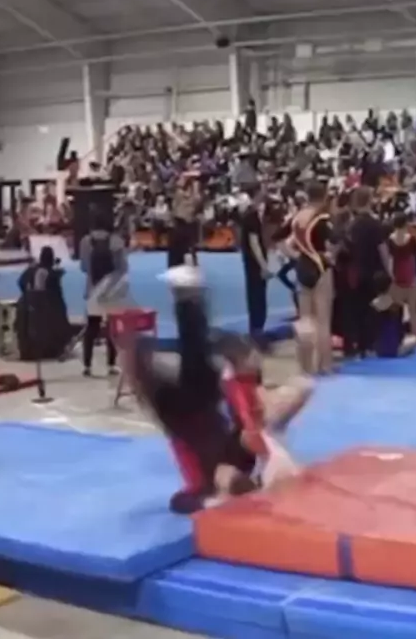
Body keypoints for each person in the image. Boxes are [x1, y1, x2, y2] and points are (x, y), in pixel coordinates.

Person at [119, 264, 312, 513]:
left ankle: (182, 303)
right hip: (205, 404)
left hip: (181, 417)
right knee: (197, 353)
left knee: (178, 360)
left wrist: (210, 501)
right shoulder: (242, 457)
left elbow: (179, 502)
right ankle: (187, 298)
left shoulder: (205, 481)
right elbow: (252, 430)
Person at [290, 181, 334, 374]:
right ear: (324, 197)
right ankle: (325, 365)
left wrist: (298, 255)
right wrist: (330, 256)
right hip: (320, 266)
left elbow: (286, 243)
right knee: (323, 320)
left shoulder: (297, 217)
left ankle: (305, 367)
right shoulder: (321, 219)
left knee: (305, 320)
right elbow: (333, 243)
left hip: (303, 265)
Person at [79, 209, 128, 376]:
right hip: (111, 290)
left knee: (91, 327)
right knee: (112, 328)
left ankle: (87, 365)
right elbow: (123, 268)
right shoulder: (117, 241)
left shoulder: (86, 241)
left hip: (93, 288)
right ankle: (111, 364)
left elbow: (84, 267)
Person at [349, 186, 391, 357]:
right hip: (374, 270)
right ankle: (372, 342)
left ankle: (360, 345)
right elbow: (383, 249)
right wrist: (389, 270)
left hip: (357, 270)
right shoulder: (374, 224)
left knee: (359, 308)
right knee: (374, 308)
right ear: (368, 200)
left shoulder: (352, 224)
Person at [16, 246, 72, 361]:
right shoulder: (52, 275)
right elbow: (56, 295)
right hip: (48, 308)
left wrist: (27, 295)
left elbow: (21, 282)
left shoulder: (30, 270)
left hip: (29, 305)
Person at [240, 186, 271, 339]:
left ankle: (257, 327)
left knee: (256, 294)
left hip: (251, 261)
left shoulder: (252, 215)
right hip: (254, 262)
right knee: (257, 296)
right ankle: (257, 329)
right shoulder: (252, 217)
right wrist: (263, 265)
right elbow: (254, 243)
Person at [388, 213, 416, 341]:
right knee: (413, 309)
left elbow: (390, 260)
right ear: (405, 224)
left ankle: (397, 334)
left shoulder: (390, 240)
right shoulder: (411, 239)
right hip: (410, 275)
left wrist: (390, 277)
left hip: (397, 276)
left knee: (397, 310)